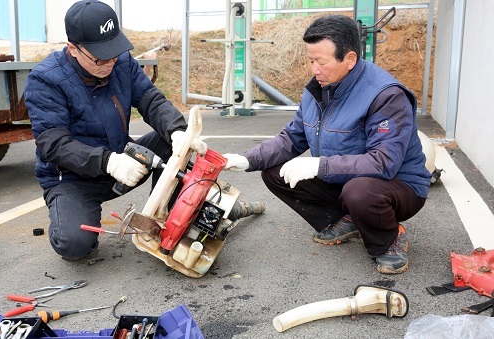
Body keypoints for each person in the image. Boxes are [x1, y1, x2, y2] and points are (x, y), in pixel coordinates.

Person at [223, 15, 431, 274]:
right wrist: (247, 159)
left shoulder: (385, 95)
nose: (314, 69)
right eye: (310, 61)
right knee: (275, 172)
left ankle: (388, 238)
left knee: (360, 192)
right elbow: (291, 138)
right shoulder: (318, 89)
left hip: (397, 187)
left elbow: (384, 162)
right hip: (346, 179)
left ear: (350, 59)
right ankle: (349, 220)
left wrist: (320, 165)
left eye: (321, 62)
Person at [24, 0, 206, 261]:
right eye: (99, 58)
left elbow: (149, 99)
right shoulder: (46, 80)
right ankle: (70, 218)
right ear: (73, 48)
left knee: (172, 143)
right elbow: (53, 144)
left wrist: (179, 131)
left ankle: (172, 221)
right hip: (75, 179)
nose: (109, 63)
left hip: (127, 163)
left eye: (113, 52)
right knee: (74, 245)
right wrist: (108, 161)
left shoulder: (120, 62)